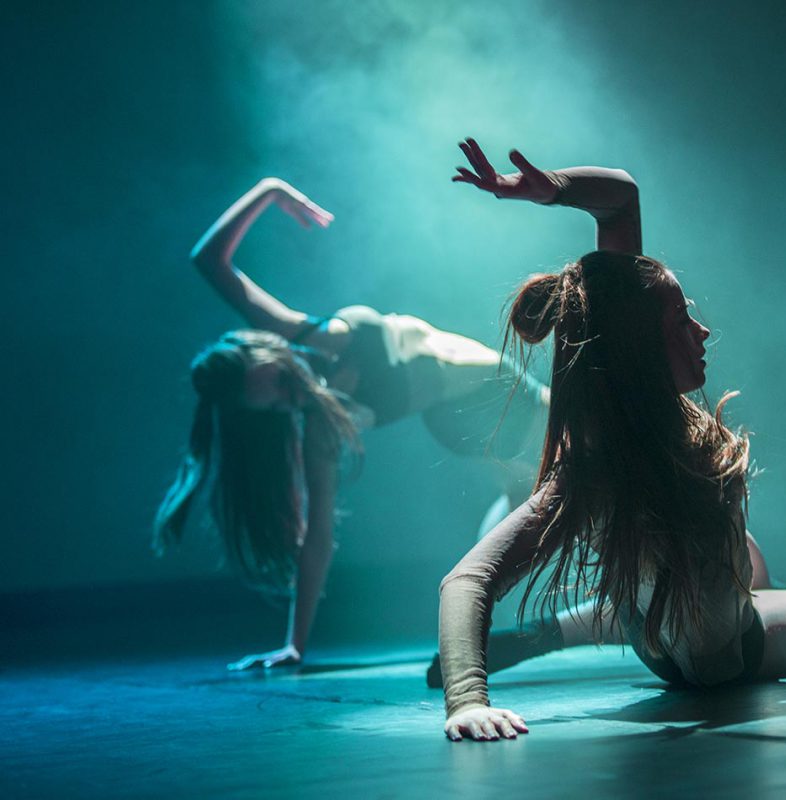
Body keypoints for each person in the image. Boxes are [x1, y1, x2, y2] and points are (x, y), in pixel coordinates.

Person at [437, 139, 786, 742]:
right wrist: (466, 699)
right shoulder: (593, 468)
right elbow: (468, 580)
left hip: (685, 603)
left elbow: (621, 199)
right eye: (681, 320)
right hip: (729, 652)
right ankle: (580, 627)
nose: (704, 329)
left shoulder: (635, 372)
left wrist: (547, 187)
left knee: (742, 556)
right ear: (640, 350)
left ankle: (577, 626)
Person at [154, 177, 547, 671]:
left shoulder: (322, 336)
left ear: (271, 347)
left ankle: (495, 639)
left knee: (528, 529)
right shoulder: (320, 427)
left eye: (277, 381)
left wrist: (271, 191)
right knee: (506, 553)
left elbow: (208, 262)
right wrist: (295, 644)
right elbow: (317, 537)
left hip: (512, 405)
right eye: (274, 406)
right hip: (485, 434)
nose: (286, 397)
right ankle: (489, 647)